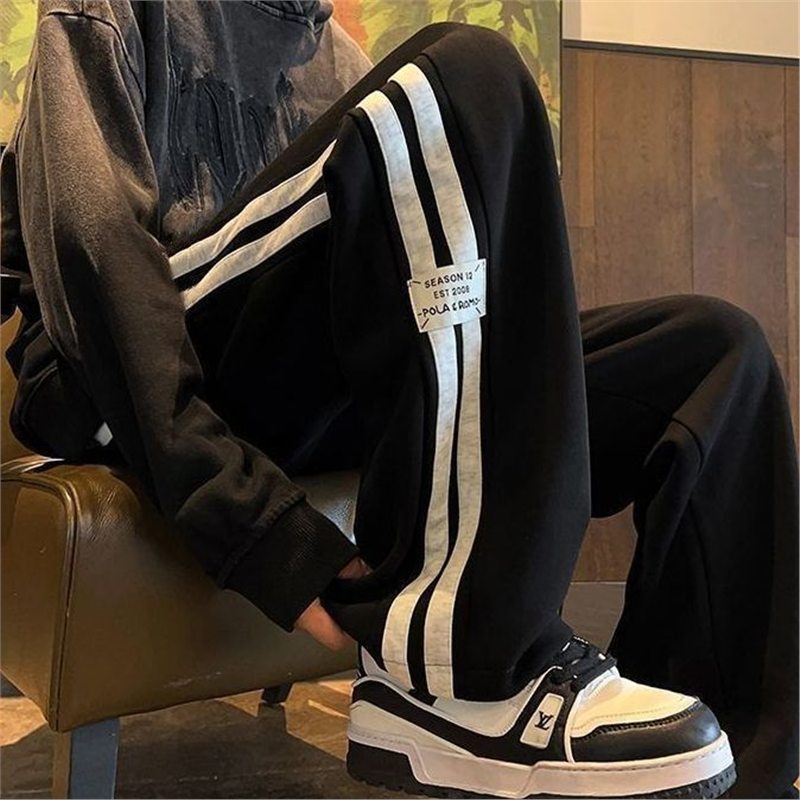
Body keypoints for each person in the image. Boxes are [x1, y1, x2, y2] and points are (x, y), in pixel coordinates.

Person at [1, 2, 796, 797]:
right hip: (132, 371)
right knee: (464, 71)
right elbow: (92, 254)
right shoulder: (111, 12)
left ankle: (720, 768)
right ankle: (468, 670)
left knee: (713, 353)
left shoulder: (334, 61)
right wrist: (256, 529)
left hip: (304, 394)